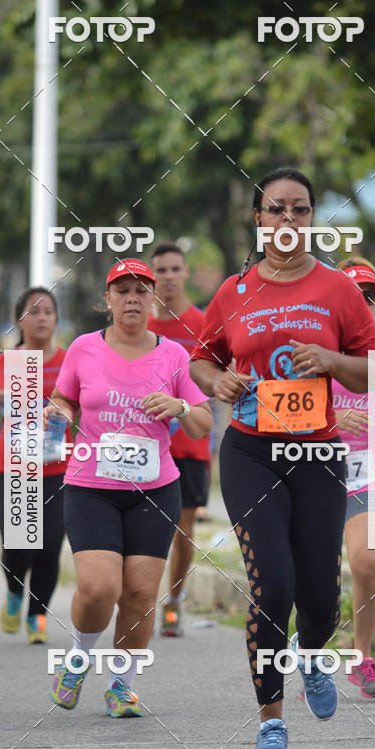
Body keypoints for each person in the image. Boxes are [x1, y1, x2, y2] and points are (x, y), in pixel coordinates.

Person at [190, 168, 375, 749]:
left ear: (312, 220)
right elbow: (201, 360)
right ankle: (271, 718)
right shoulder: (234, 291)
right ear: (259, 219)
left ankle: (310, 650)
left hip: (319, 454)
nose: (288, 221)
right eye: (276, 210)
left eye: (300, 210)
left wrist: (329, 357)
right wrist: (217, 379)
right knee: (271, 584)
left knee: (321, 598)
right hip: (252, 452)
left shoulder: (337, 291)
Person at [46, 258, 212, 716]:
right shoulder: (83, 348)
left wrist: (179, 404)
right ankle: (79, 657)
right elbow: (64, 396)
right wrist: (58, 411)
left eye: (141, 290)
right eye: (123, 291)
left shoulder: (174, 356)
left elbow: (201, 425)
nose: (132, 298)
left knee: (139, 595)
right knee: (99, 588)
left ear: (153, 299)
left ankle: (121, 684)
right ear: (108, 301)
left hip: (155, 489)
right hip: (91, 485)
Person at [0, 287, 71, 644]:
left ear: (56, 318)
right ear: (20, 320)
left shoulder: (68, 360)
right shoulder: (7, 362)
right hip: (11, 465)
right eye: (33, 311)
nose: (42, 317)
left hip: (57, 467)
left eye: (48, 311)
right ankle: (15, 592)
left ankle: (37, 617)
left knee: (48, 546)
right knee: (18, 543)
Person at [331, 257, 375, 699]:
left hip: (365, 473)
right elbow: (285, 410)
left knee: (368, 564)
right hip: (312, 467)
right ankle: (313, 655)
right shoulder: (314, 344)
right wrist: (336, 415)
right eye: (355, 295)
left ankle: (361, 658)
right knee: (313, 575)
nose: (364, 303)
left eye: (371, 296)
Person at [148, 241, 211, 637]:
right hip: (145, 445)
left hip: (190, 443)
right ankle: (137, 599)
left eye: (175, 269)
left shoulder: (203, 324)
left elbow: (215, 377)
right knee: (145, 528)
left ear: (186, 273)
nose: (168, 277)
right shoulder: (140, 327)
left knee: (183, 530)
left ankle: (173, 600)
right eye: (161, 271)